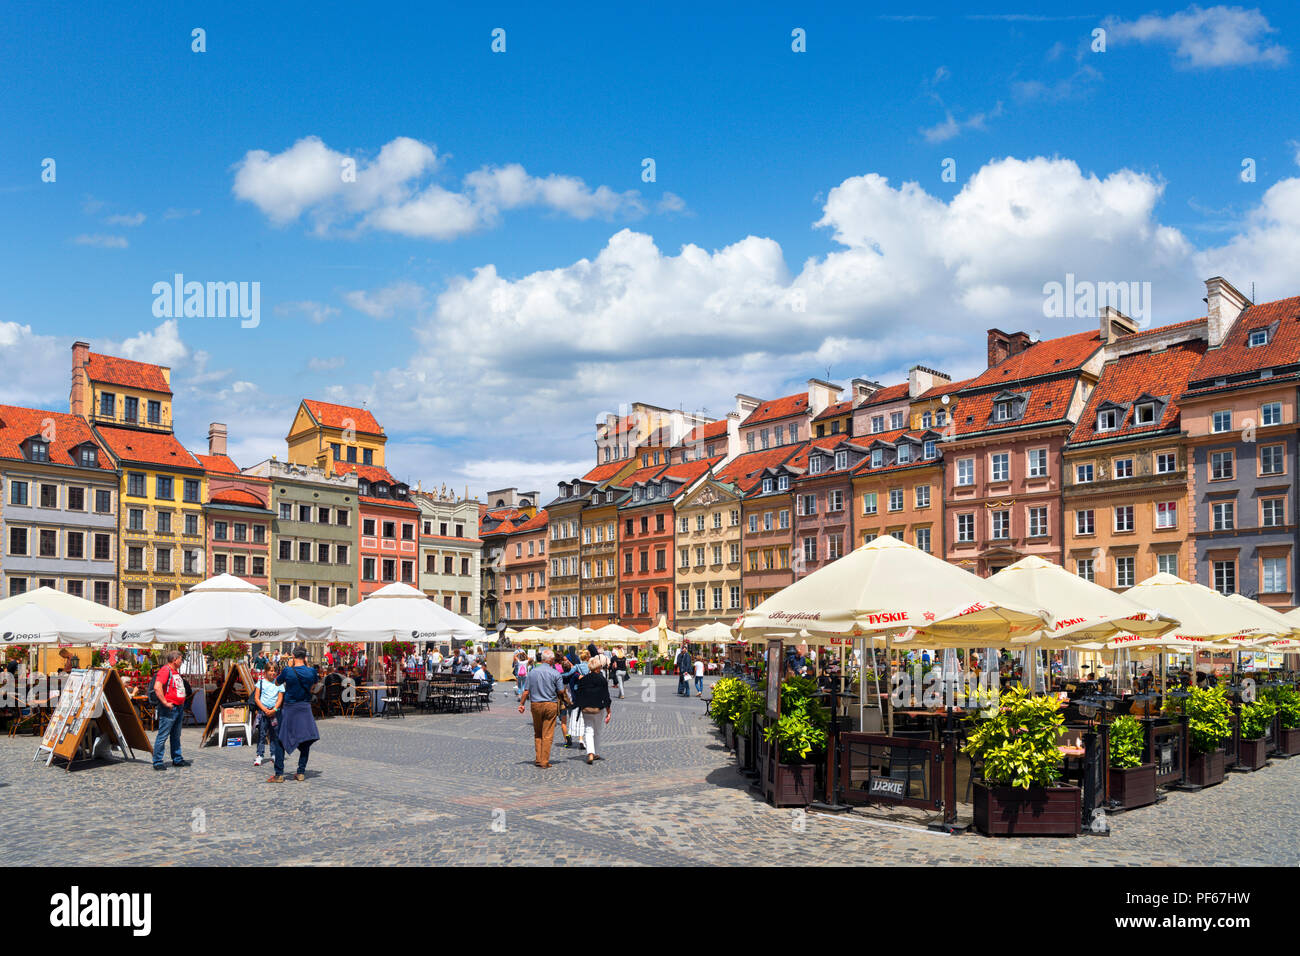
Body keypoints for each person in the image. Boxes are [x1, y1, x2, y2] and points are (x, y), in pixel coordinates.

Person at [268, 647, 319, 783]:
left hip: (290, 708)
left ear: (293, 656)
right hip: (305, 707)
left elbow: (277, 682)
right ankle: (301, 772)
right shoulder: (311, 671)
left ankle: (279, 775)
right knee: (305, 739)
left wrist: (290, 667)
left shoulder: (288, 670)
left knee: (281, 739)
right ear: (305, 657)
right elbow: (314, 684)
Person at [517, 649, 569, 769]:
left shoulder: (532, 672)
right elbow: (561, 691)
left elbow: (526, 691)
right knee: (548, 734)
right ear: (551, 660)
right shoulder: (555, 673)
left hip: (535, 704)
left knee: (538, 733)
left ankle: (538, 759)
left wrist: (521, 704)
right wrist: (566, 702)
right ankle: (544, 761)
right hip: (550, 704)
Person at [151, 650, 189, 771]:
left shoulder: (174, 671)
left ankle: (177, 758)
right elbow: (157, 687)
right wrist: (165, 702)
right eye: (180, 659)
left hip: (178, 707)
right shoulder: (165, 670)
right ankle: (157, 761)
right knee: (163, 735)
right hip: (169, 708)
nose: (181, 661)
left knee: (176, 735)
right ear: (175, 659)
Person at [573, 654, 613, 764]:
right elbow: (606, 696)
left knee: (588, 730)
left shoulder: (583, 680)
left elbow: (579, 694)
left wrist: (578, 706)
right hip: (598, 708)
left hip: (586, 708)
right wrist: (608, 711)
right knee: (597, 731)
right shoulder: (602, 679)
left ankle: (590, 752)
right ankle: (596, 752)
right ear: (598, 667)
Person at [252, 665, 284, 768]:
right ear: (265, 671)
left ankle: (274, 754)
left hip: (274, 712)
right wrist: (264, 709)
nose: (273, 673)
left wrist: (274, 709)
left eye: (275, 671)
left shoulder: (279, 683)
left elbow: (280, 698)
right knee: (262, 733)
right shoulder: (260, 683)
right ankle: (259, 754)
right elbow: (257, 698)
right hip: (263, 711)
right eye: (270, 671)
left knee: (274, 734)